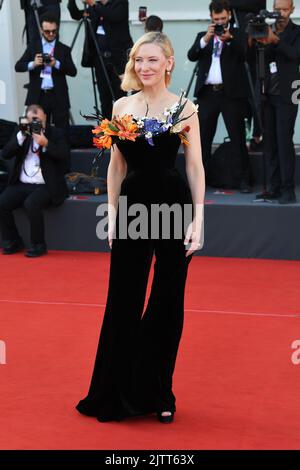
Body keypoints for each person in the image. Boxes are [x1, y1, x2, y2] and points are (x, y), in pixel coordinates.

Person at [76, 32, 205, 423]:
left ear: (168, 62)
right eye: (138, 60)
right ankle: (114, 392)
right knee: (123, 300)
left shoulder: (185, 108)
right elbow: (117, 167)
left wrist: (199, 218)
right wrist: (112, 214)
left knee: (167, 302)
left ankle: (158, 392)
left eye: (152, 60)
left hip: (173, 207)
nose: (144, 67)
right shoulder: (121, 106)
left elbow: (195, 166)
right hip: (132, 209)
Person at [187, 0, 251, 193]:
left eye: (223, 18)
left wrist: (230, 38)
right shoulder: (203, 36)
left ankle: (243, 179)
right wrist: (206, 38)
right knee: (203, 139)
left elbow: (246, 54)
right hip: (208, 94)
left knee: (237, 137)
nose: (221, 22)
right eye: (217, 19)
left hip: (231, 94)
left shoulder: (238, 34)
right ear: (211, 18)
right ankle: (200, 179)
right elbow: (192, 55)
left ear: (229, 15)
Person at [0, 104, 69, 257]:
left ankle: (38, 245)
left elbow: (64, 156)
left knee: (31, 203)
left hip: (46, 184)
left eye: (37, 119)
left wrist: (46, 144)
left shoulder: (56, 133)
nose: (34, 123)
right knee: (2, 202)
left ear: (45, 117)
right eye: (31, 120)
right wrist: (21, 136)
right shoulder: (21, 133)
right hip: (22, 183)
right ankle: (13, 241)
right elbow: (5, 153)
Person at [249, 0, 300, 204]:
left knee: (284, 140)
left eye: (284, 9)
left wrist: (275, 40)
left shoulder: (297, 32)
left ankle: (288, 189)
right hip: (266, 93)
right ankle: (274, 186)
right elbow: (252, 59)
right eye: (277, 9)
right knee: (269, 142)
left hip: (291, 91)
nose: (280, 13)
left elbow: (296, 56)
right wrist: (253, 41)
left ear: (292, 10)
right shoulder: (265, 29)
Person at [67, 0, 133, 119]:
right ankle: (106, 131)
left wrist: (93, 4)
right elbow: (76, 15)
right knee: (104, 97)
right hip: (100, 59)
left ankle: (122, 130)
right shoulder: (96, 7)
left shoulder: (120, 3)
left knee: (120, 96)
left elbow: (114, 16)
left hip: (118, 59)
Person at [15, 12, 77, 131]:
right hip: (38, 95)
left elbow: (73, 71)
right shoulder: (33, 47)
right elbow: (18, 66)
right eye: (47, 31)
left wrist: (56, 64)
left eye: (54, 31)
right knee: (36, 131)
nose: (51, 34)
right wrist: (33, 64)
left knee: (62, 131)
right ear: (41, 29)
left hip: (58, 95)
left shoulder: (63, 49)